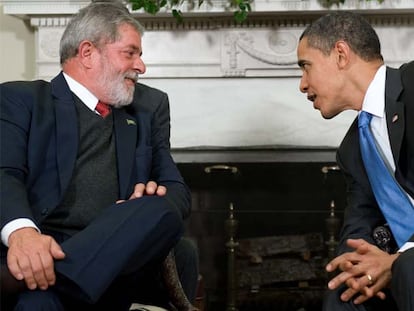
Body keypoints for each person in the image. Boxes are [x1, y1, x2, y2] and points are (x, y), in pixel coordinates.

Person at [0, 1, 198, 310]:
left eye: (140, 55)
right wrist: (22, 233)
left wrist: (144, 201)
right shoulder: (22, 100)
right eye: (130, 53)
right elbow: (4, 172)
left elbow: (177, 190)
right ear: (88, 53)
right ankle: (56, 276)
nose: (141, 67)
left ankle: (51, 276)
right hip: (43, 246)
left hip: (115, 257)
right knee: (37, 305)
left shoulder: (148, 107)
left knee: (160, 209)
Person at [296, 11, 413, 311]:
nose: (302, 84)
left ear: (340, 54)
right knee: (345, 290)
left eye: (306, 67)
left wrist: (400, 259)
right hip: (401, 262)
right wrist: (356, 266)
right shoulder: (351, 150)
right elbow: (359, 224)